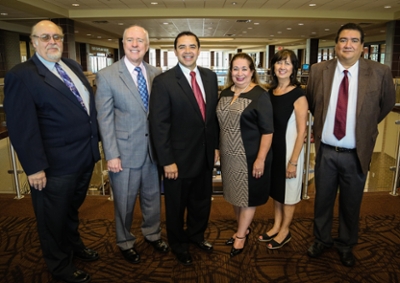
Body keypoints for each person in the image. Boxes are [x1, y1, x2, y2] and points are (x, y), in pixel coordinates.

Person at [4, 20, 100, 283]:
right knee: (52, 218)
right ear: (33, 41)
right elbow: (21, 126)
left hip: (83, 157)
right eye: (45, 37)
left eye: (57, 36)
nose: (53, 41)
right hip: (53, 165)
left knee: (70, 210)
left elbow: (84, 108)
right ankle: (60, 266)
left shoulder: (70, 66)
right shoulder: (21, 75)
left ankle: (74, 246)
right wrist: (34, 167)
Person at [306, 23, 396, 267]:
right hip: (326, 151)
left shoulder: (379, 72)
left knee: (351, 202)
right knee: (322, 200)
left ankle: (346, 244)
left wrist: (363, 125)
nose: (348, 45)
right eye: (343, 40)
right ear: (336, 44)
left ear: (363, 47)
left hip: (356, 153)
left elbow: (386, 104)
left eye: (354, 40)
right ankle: (321, 240)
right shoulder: (318, 70)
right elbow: (314, 103)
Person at [95, 25, 169, 264]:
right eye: (130, 40)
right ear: (124, 44)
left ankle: (152, 234)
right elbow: (104, 119)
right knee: (124, 204)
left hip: (152, 153)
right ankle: (125, 241)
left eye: (140, 40)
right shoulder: (107, 75)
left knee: (152, 200)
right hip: (124, 154)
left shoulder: (157, 73)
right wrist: (112, 154)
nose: (135, 44)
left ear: (147, 45)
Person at [149, 31, 219, 266]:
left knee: (201, 203)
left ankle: (196, 236)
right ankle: (179, 245)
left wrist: (215, 146)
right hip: (177, 161)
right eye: (182, 47)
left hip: (205, 156)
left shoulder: (210, 77)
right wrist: (166, 160)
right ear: (175, 51)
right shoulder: (164, 81)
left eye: (192, 46)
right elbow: (159, 125)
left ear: (199, 49)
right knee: (176, 207)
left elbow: (211, 118)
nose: (187, 51)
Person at [217, 52, 273, 257]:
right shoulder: (224, 93)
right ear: (230, 71)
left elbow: (268, 131)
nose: (239, 73)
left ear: (251, 72)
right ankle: (243, 228)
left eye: (244, 69)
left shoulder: (260, 95)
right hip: (228, 155)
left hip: (249, 156)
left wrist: (260, 159)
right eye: (235, 69)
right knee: (235, 195)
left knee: (247, 197)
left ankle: (240, 235)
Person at [257, 49, 308, 250]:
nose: (282, 67)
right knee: (278, 192)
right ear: (273, 67)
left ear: (293, 68)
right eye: (279, 63)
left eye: (287, 63)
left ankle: (285, 230)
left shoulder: (298, 94)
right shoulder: (270, 93)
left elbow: (302, 132)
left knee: (289, 193)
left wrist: (293, 161)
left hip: (290, 153)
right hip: (274, 152)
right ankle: (276, 225)